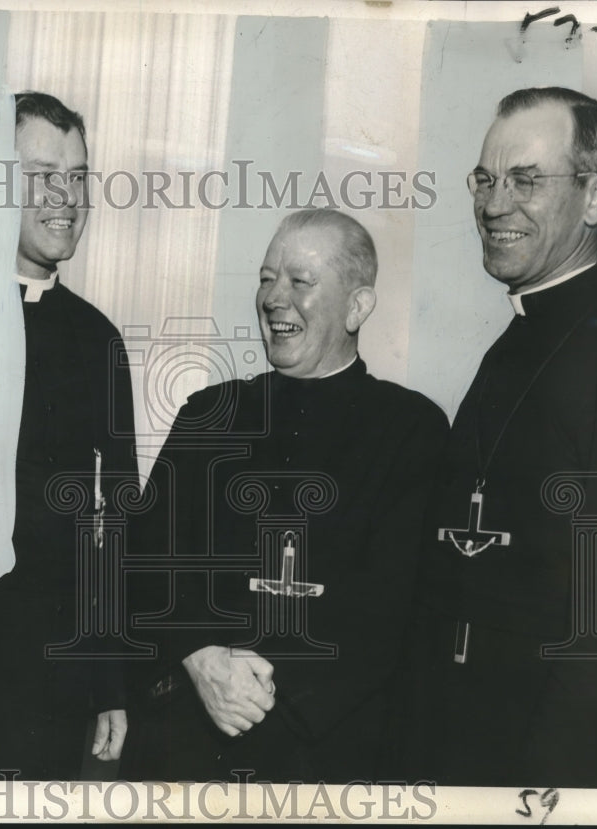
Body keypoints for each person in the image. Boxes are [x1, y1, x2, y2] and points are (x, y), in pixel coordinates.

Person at [121, 208, 449, 783]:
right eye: (267, 278)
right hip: (188, 735)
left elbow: (394, 610)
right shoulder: (209, 414)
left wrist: (272, 699)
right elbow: (146, 560)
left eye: (300, 281)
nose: (275, 297)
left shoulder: (411, 430)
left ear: (358, 305)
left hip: (325, 754)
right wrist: (200, 657)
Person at [398, 87, 597, 788]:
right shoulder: (518, 335)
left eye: (525, 180)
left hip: (540, 769)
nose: (491, 204)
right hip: (454, 750)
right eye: (485, 179)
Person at [0, 91, 136, 777]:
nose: (65, 197)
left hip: (47, 670)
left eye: (77, 178)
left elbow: (114, 524)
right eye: (43, 175)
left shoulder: (96, 338)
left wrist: (111, 683)